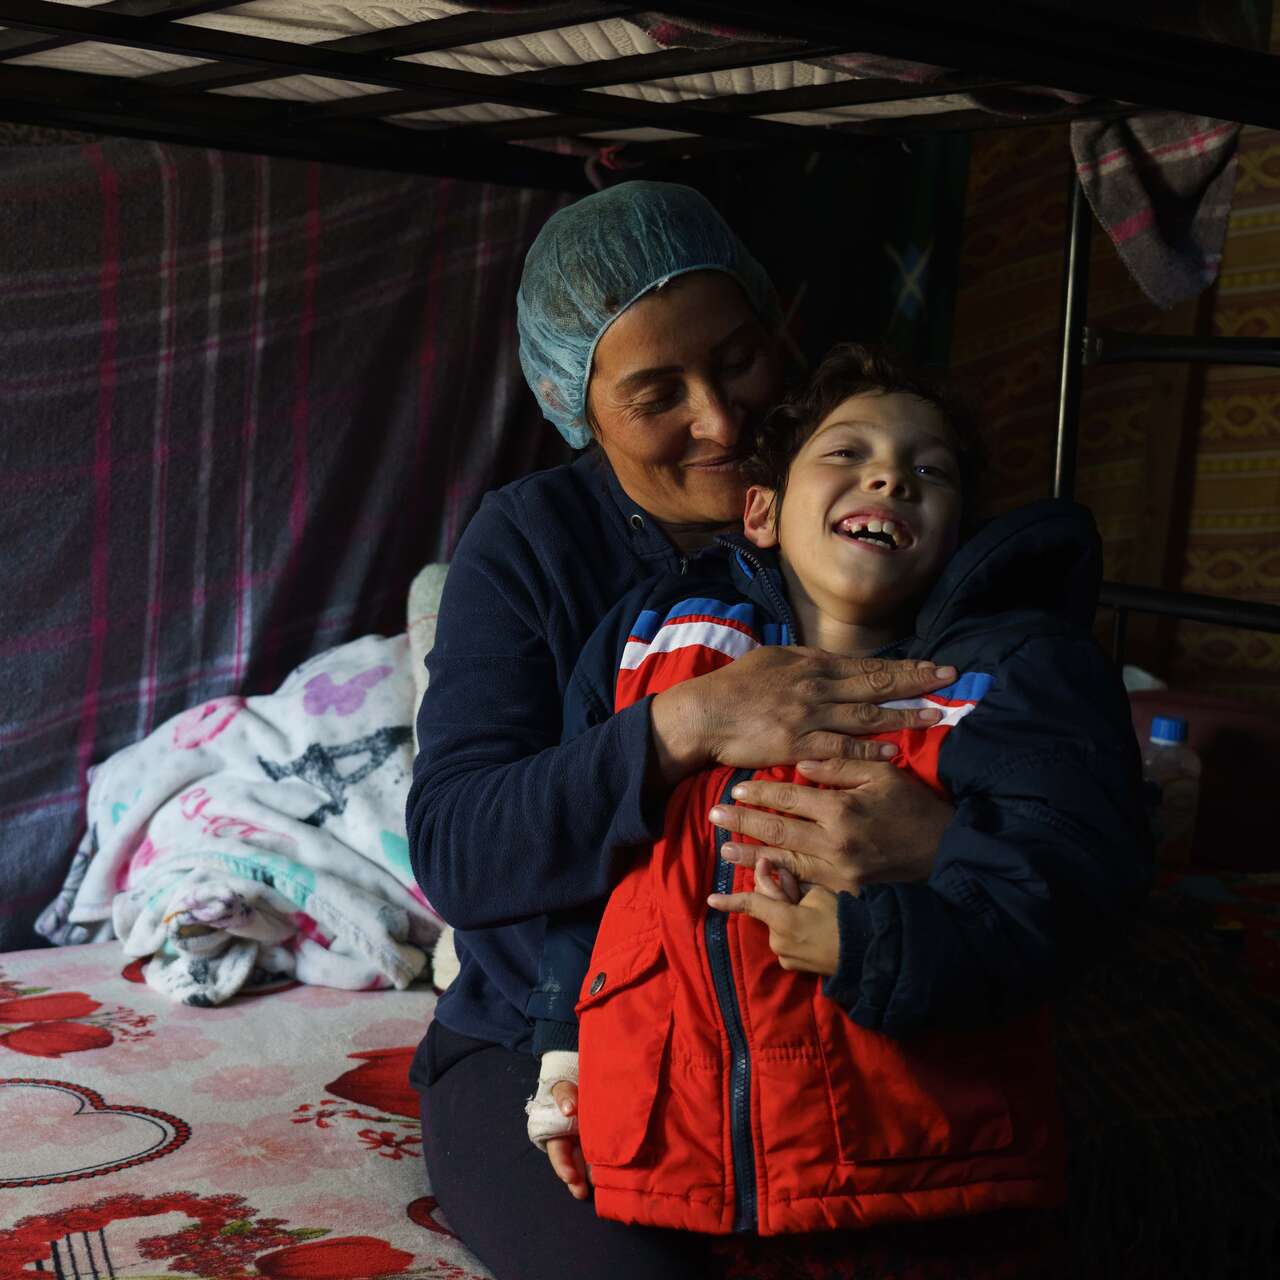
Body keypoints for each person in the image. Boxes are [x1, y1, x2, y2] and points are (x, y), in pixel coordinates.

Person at [407, 183, 962, 1279]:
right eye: (657, 391)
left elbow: (1022, 749)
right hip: (547, 1037)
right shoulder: (531, 545)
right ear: (579, 404)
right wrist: (691, 720)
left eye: (739, 359)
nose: (720, 419)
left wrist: (943, 843)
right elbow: (459, 843)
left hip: (846, 1026)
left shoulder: (885, 503)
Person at [524, 345, 1150, 1235]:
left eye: (928, 470)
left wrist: (878, 939)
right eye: (848, 453)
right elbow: (588, 870)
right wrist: (564, 1053)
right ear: (764, 511)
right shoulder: (653, 647)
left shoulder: (1010, 676)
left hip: (927, 1184)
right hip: (665, 1168)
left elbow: (1083, 888)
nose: (890, 478)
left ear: (956, 531)